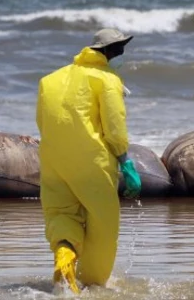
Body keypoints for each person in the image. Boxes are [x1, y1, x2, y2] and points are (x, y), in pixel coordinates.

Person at [36, 28, 142, 294]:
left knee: (62, 214)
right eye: (118, 50)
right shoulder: (107, 79)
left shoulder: (50, 80)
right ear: (105, 52)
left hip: (52, 164)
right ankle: (91, 286)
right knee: (104, 223)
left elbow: (42, 122)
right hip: (92, 164)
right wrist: (125, 162)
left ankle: (65, 256)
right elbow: (114, 127)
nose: (121, 55)